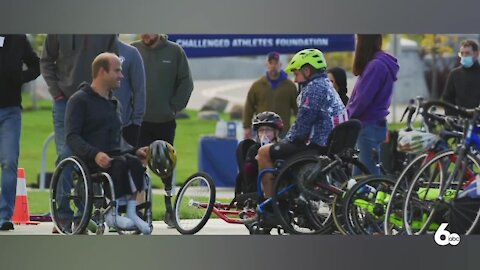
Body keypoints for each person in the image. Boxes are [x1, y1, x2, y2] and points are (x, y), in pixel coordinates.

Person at [65, 52, 151, 234]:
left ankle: (131, 212)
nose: (121, 75)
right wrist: (95, 154)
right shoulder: (79, 100)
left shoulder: (114, 103)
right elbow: (72, 137)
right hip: (90, 159)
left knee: (134, 163)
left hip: (114, 155)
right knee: (119, 163)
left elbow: (118, 139)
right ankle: (112, 214)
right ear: (102, 72)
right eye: (117, 71)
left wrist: (135, 151)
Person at [40, 34, 118, 233]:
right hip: (65, 100)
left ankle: (82, 217)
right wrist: (55, 91)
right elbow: (46, 60)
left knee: (91, 159)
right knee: (66, 157)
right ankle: (63, 217)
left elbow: (113, 61)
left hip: (95, 100)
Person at [256, 48, 347, 199]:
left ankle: (270, 205)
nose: (295, 79)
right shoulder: (326, 85)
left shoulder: (314, 89)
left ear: (307, 71)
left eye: (296, 74)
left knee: (263, 152)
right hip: (330, 144)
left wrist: (283, 142)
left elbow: (301, 130)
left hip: (317, 146)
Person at [131, 34, 194, 227]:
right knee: (138, 163)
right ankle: (140, 210)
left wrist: (174, 107)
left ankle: (169, 208)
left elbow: (186, 82)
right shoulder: (133, 50)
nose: (145, 35)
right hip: (139, 121)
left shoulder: (175, 52)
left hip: (165, 120)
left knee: (165, 164)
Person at [0, 34, 40, 231]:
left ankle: (4, 216)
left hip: (10, 110)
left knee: (9, 161)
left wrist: (21, 78)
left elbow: (36, 65)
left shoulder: (18, 38)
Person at [346, 34, 399, 176]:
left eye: (358, 40)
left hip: (367, 125)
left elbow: (362, 99)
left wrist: (346, 115)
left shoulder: (375, 66)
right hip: (375, 124)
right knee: (359, 175)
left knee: (369, 174)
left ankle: (374, 197)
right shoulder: (380, 64)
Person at [243, 52, 298, 139]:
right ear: (267, 65)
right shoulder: (257, 85)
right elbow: (249, 106)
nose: (273, 66)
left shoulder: (290, 86)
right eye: (271, 63)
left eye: (275, 63)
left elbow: (297, 108)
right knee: (262, 152)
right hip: (263, 131)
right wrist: (246, 127)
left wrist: (300, 127)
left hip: (282, 131)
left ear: (280, 65)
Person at [236, 111, 284, 197]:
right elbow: (248, 171)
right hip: (258, 186)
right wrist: (257, 160)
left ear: (276, 132)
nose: (264, 134)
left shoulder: (282, 147)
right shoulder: (254, 149)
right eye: (261, 131)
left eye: (268, 130)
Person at [113, 38, 146, 146]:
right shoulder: (90, 52)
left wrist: (136, 122)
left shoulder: (130, 53)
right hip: (96, 128)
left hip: (126, 126)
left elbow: (139, 89)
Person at [442, 39, 480, 113]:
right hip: (458, 119)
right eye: (462, 53)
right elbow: (447, 98)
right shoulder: (454, 74)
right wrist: (451, 117)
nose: (464, 56)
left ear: (476, 54)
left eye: (467, 53)